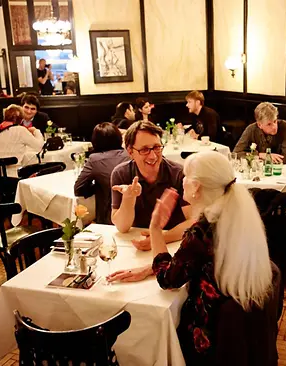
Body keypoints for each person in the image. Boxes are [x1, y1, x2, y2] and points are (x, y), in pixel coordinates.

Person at [109, 151, 274, 365]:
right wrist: (153, 266)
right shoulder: (234, 213)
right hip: (244, 321)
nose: (182, 181)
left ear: (196, 187)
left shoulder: (202, 231)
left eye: (186, 177)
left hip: (210, 332)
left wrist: (156, 228)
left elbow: (168, 281)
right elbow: (198, 260)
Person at [110, 121, 193, 251]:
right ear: (130, 151)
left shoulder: (178, 174)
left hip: (173, 243)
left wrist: (159, 237)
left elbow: (192, 222)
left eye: (156, 147)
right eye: (144, 150)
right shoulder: (121, 174)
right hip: (135, 243)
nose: (153, 156)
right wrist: (128, 198)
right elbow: (122, 227)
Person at [74, 123, 129, 225]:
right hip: (138, 211)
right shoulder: (130, 154)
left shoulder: (95, 159)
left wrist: (100, 186)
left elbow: (78, 189)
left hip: (110, 216)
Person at [0, 104, 44, 177]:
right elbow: (38, 146)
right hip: (12, 177)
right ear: (21, 119)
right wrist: (36, 131)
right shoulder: (20, 130)